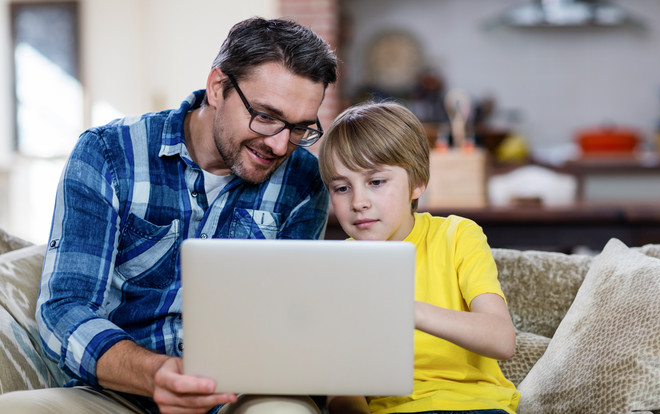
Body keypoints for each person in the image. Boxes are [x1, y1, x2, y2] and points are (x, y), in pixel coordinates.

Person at [0, 17, 337, 414]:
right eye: (265, 115)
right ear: (217, 88)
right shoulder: (109, 154)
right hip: (118, 391)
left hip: (240, 396)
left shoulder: (303, 181)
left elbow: (292, 318)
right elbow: (65, 307)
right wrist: (155, 374)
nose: (281, 145)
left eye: (299, 128)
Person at [317, 102, 520, 414]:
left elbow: (502, 339)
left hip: (478, 407)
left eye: (375, 182)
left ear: (417, 183)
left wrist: (408, 311)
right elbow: (345, 393)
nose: (358, 202)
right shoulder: (340, 267)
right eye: (342, 188)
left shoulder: (457, 235)